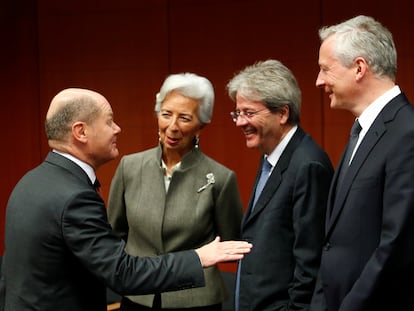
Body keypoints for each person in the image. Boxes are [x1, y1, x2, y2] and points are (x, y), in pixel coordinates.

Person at [0, 88, 252, 311]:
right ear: (81, 132)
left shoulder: (30, 182)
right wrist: (198, 258)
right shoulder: (75, 198)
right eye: (109, 121)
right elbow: (121, 271)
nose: (117, 129)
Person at [107, 73, 244, 310]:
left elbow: (229, 242)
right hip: (138, 295)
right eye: (166, 114)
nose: (172, 127)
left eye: (184, 118)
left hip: (196, 299)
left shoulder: (221, 178)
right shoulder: (129, 167)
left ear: (201, 125)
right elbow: (114, 233)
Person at [309, 15, 414, 311]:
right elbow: (332, 244)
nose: (318, 81)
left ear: (359, 68)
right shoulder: (362, 131)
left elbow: (397, 247)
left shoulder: (407, 133)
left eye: (325, 69)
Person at [226, 59, 334, 311]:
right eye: (237, 113)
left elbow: (310, 262)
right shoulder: (271, 156)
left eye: (249, 113)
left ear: (282, 113)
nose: (240, 122)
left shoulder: (307, 165)